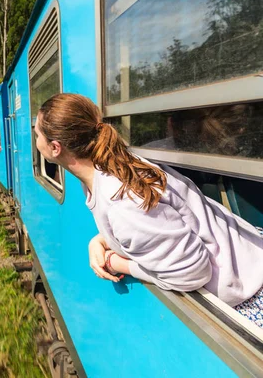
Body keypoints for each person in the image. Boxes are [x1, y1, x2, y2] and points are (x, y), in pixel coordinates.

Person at [34, 93, 263, 328]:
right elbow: (156, 222)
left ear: (55, 147)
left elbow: (192, 273)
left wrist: (117, 263)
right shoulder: (111, 165)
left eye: (38, 134)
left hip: (249, 289)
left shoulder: (120, 200)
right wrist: (101, 241)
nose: (36, 140)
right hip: (249, 254)